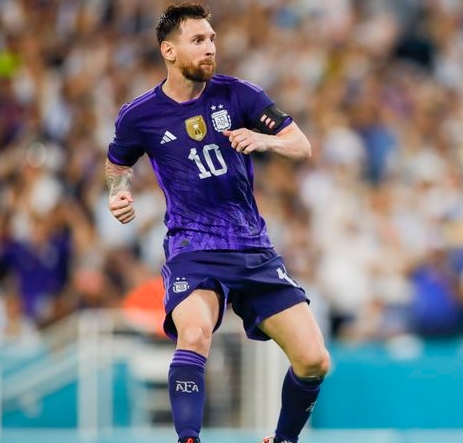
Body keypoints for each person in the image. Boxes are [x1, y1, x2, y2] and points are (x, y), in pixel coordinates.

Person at [104, 4, 330, 443]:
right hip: (194, 247)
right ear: (169, 51)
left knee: (314, 360)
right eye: (198, 41)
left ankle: (283, 441)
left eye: (211, 39)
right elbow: (117, 164)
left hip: (252, 247)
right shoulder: (140, 115)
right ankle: (188, 439)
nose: (210, 48)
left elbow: (300, 146)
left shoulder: (239, 95)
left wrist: (263, 139)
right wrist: (119, 195)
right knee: (193, 334)